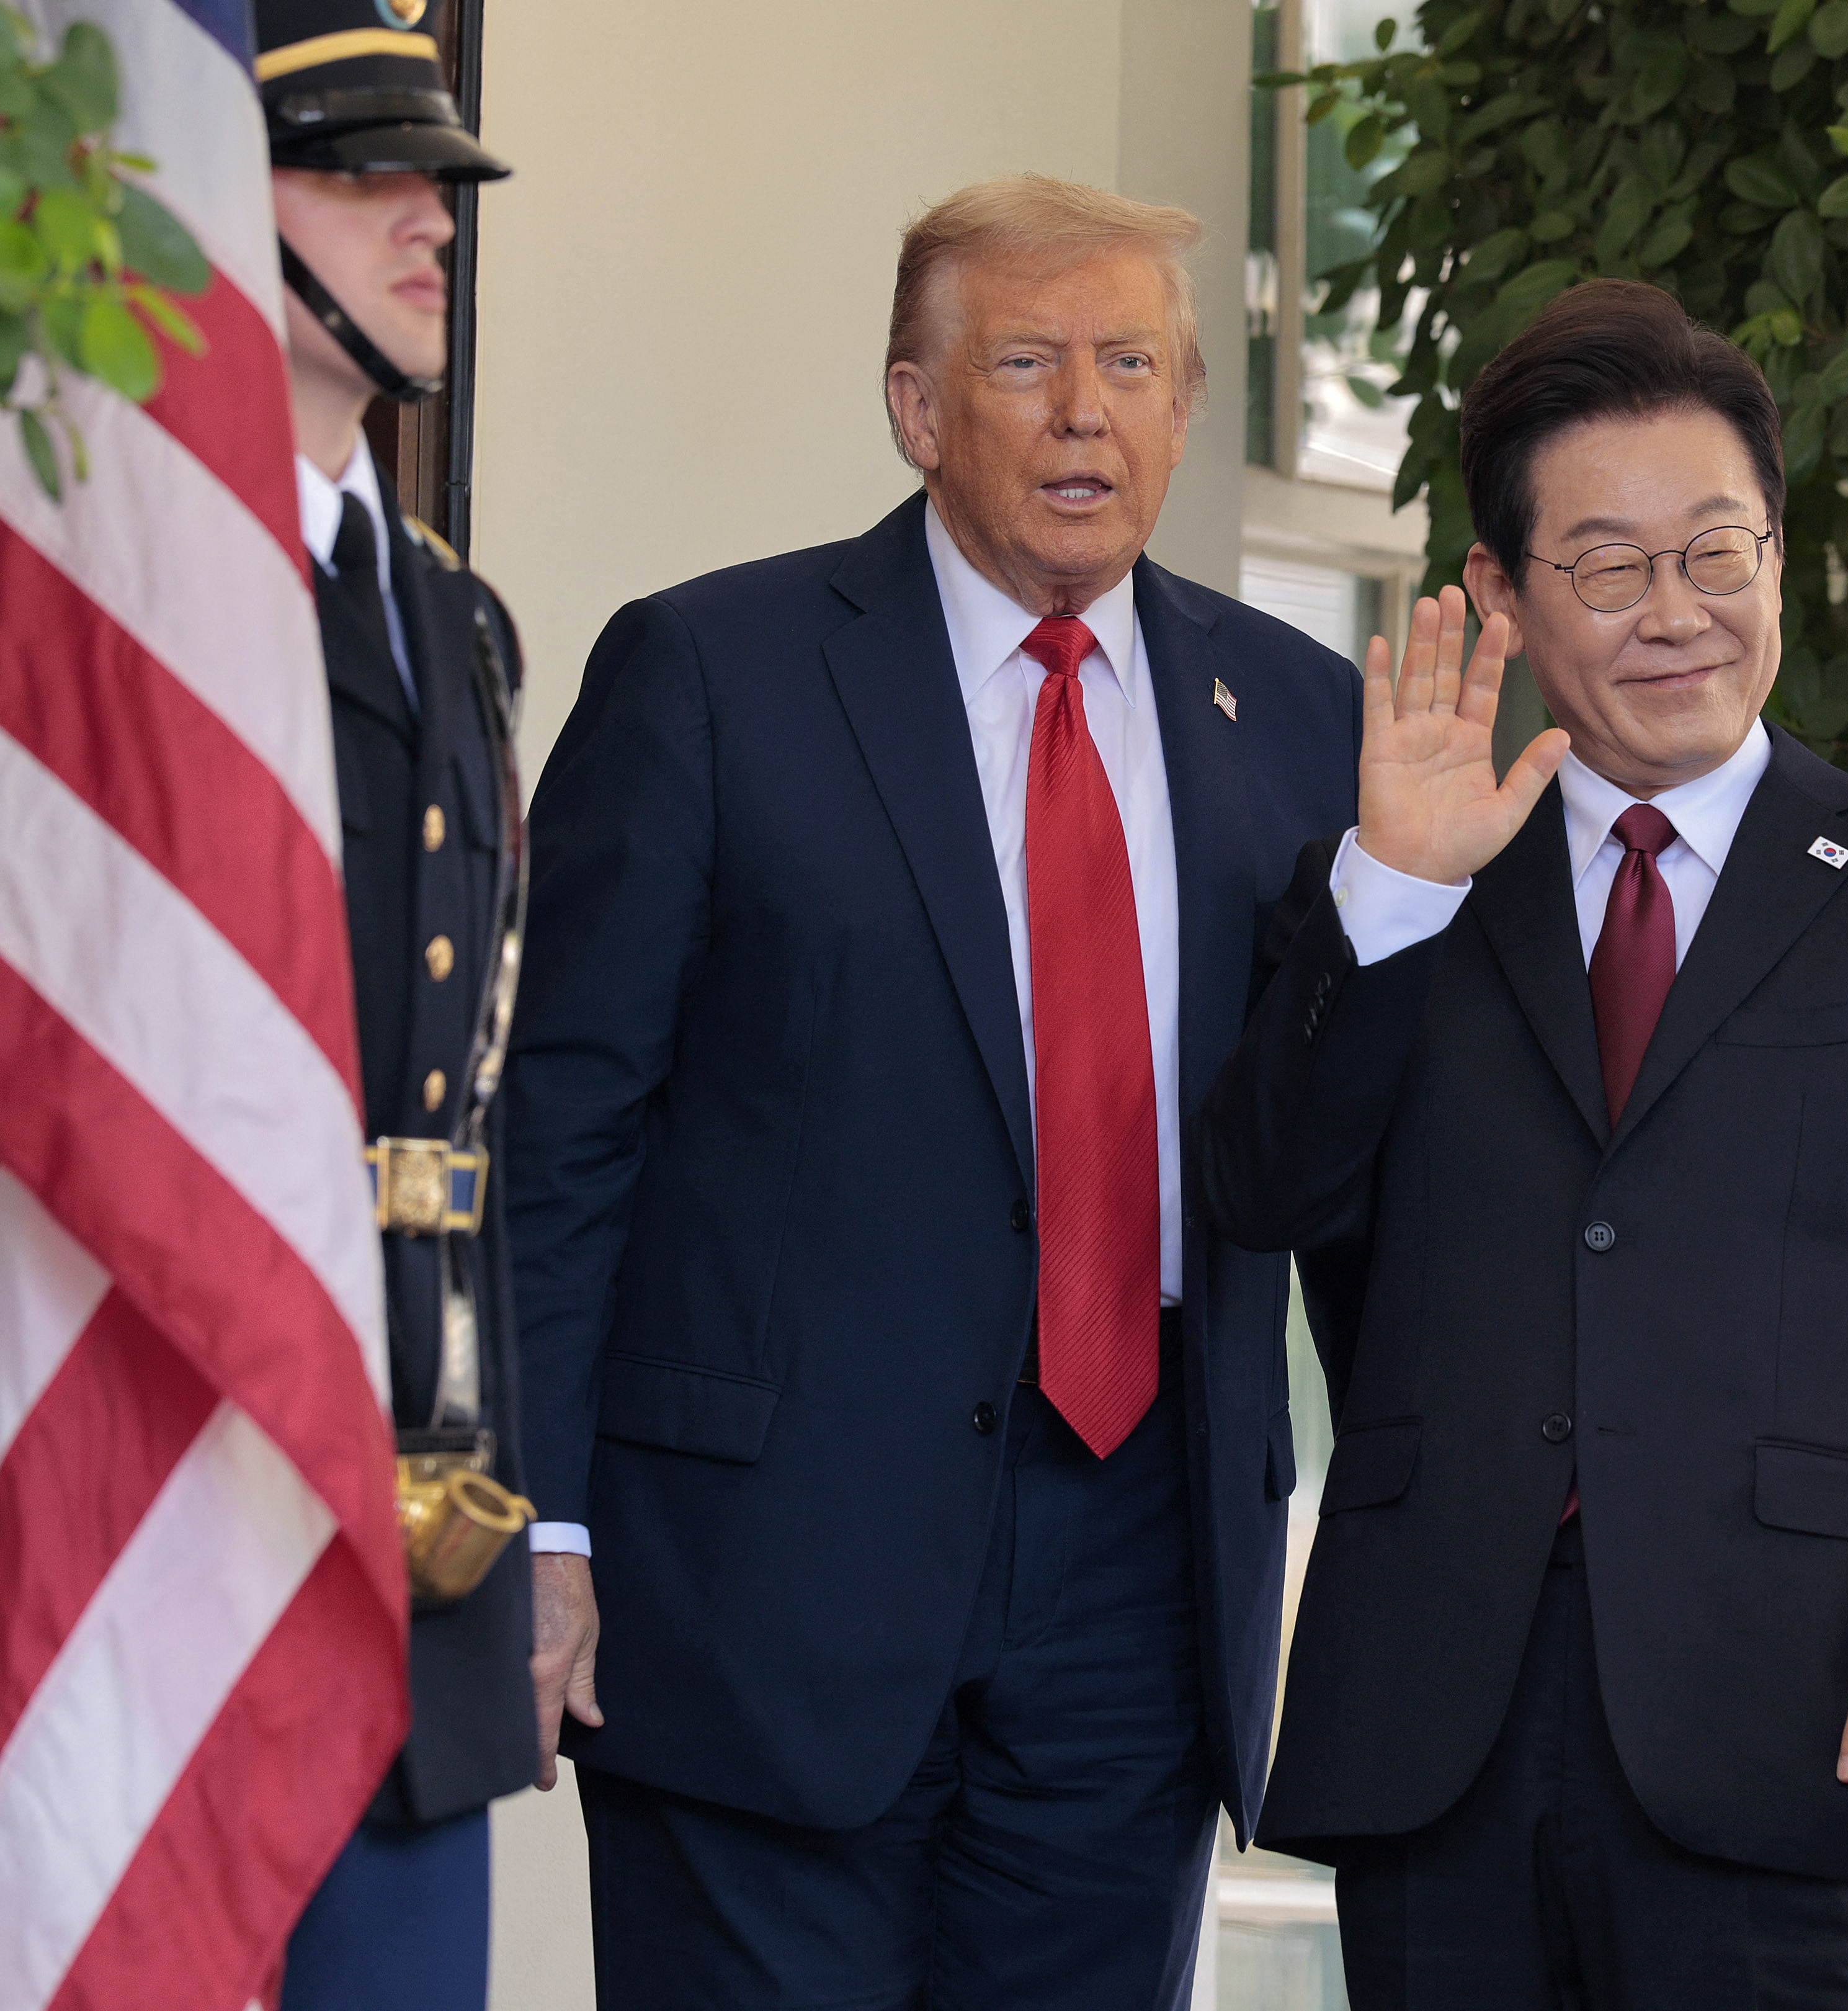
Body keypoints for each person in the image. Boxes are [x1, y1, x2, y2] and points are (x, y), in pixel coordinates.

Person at [504, 175, 1360, 2007]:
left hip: (1140, 1579)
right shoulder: (712, 675)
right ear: (915, 407)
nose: (1086, 412)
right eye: (1030, 362)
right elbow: (561, 1134)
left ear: (1187, 405)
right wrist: (540, 1523)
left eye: (1133, 362)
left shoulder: (1296, 714)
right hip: (759, 1588)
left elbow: (1332, 1139)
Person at [1199, 277, 1848, 2007]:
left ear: (1774, 551)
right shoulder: (1397, 879)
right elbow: (1263, 1193)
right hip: (1436, 1710)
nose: (1676, 612)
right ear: (1505, 599)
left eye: (1716, 553)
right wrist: (1389, 892)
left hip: (1789, 1710)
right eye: (1608, 567)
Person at [260, 4, 532, 2006]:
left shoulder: (450, 609)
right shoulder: (103, 604)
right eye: (356, 171)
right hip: (176, 1481)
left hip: (416, 1499)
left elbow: (469, 1119)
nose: (425, 217)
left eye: (433, 173)